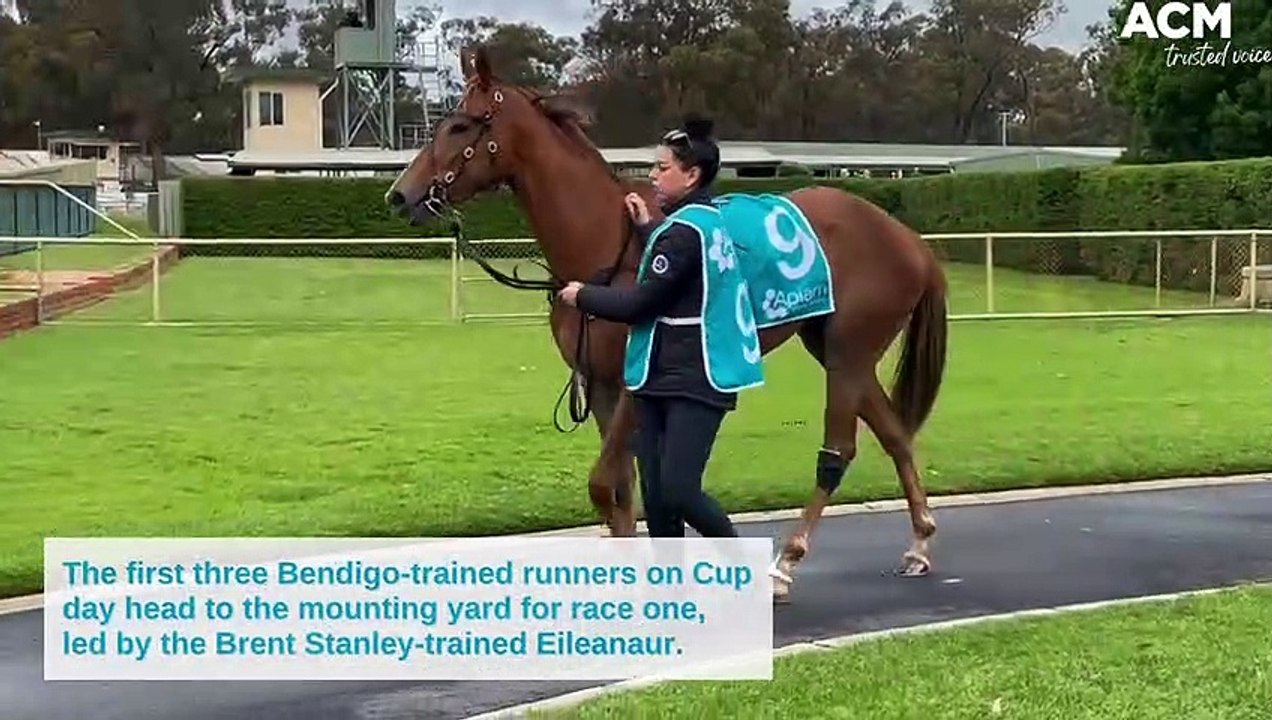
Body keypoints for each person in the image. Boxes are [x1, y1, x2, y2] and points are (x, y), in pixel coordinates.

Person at [556, 114, 764, 539]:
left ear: (692, 175)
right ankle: (670, 576)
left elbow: (643, 302)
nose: (652, 175)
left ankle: (740, 566)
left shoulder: (681, 234)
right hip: (662, 377)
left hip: (692, 378)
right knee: (657, 496)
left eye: (662, 167)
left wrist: (582, 295)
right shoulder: (702, 223)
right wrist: (647, 228)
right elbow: (679, 265)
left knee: (679, 491)